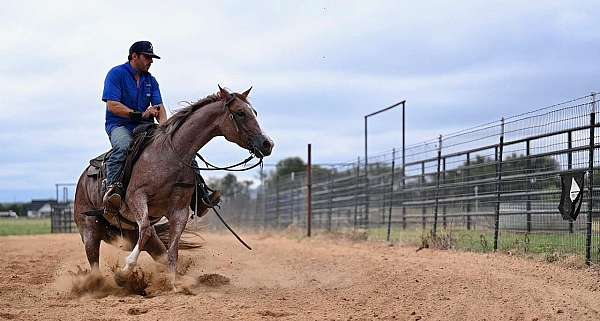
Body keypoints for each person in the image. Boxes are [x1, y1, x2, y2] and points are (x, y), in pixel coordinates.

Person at [101, 41, 166, 212]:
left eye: (152, 58)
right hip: (119, 125)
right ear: (134, 56)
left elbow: (159, 108)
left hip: (145, 127)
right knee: (123, 146)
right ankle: (112, 189)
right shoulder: (116, 74)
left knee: (175, 144)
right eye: (147, 57)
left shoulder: (151, 81)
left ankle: (200, 192)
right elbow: (112, 105)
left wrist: (166, 129)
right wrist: (140, 114)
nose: (151, 61)